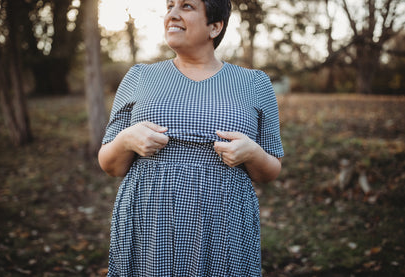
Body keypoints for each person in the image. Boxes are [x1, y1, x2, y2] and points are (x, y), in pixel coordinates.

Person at [98, 0, 284, 275]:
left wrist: (252, 154)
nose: (171, 14)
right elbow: (109, 164)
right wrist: (126, 140)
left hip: (224, 222)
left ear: (215, 26)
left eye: (186, 6)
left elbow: (271, 169)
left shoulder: (254, 83)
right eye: (169, 5)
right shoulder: (140, 76)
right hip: (150, 220)